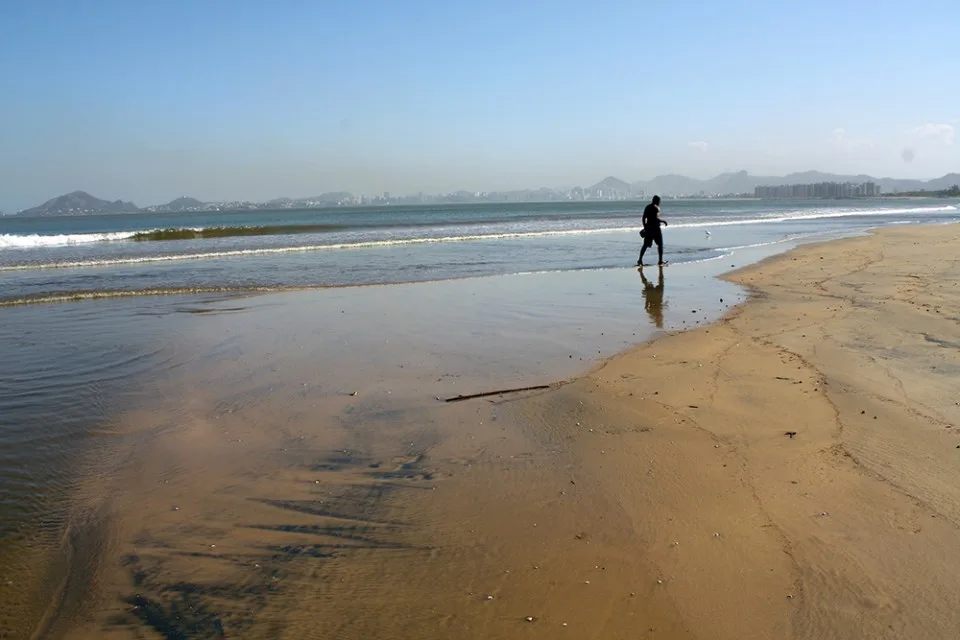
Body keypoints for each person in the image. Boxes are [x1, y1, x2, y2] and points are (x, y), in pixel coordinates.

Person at [638, 195, 667, 266]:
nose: (659, 202)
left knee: (645, 245)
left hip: (649, 229)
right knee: (660, 245)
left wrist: (645, 227)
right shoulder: (656, 208)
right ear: (656, 201)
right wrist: (663, 221)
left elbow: (643, 218)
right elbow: (655, 219)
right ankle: (660, 261)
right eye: (659, 201)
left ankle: (640, 259)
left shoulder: (647, 207)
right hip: (656, 230)